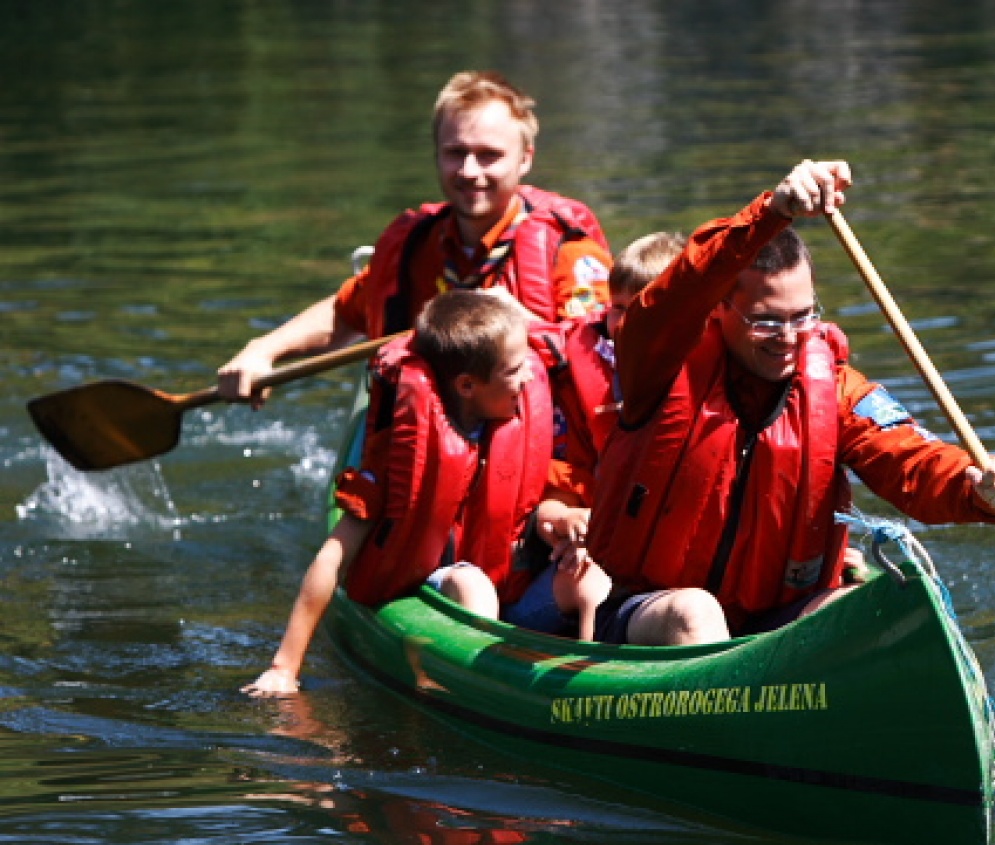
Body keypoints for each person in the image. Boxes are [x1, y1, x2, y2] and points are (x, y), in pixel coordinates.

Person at [587, 160, 995, 645]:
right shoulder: (660, 365)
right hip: (655, 613)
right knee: (697, 613)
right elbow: (677, 293)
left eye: (802, 318)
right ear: (720, 310)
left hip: (779, 617)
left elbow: (912, 458)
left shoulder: (837, 391)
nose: (788, 338)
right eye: (767, 320)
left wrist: (976, 485)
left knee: (896, 605)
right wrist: (771, 212)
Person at [244, 291, 607, 696]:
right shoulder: (399, 456)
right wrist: (285, 666)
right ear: (467, 385)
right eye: (516, 369)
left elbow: (534, 505)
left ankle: (589, 685)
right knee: (472, 584)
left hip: (517, 599)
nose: (529, 379)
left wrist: (560, 519)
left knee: (587, 574)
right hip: (445, 592)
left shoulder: (524, 426)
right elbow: (332, 558)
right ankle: (487, 690)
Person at [218, 70, 613, 406]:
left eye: (489, 155)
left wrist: (526, 324)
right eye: (455, 152)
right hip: (426, 437)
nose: (470, 171)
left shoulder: (568, 251)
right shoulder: (415, 247)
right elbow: (346, 314)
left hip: (540, 440)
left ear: (525, 158)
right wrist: (263, 350)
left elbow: (606, 357)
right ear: (436, 154)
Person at [536, 231, 687, 504]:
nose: (626, 324)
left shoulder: (712, 360)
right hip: (605, 508)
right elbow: (569, 463)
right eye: (619, 308)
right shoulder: (577, 367)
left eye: (643, 309)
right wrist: (563, 510)